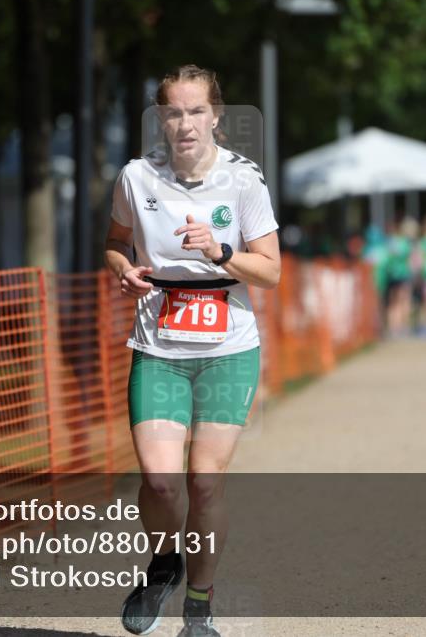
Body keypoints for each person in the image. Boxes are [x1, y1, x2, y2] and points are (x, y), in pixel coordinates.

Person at [104, 64, 281, 637]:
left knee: (205, 482)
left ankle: (199, 607)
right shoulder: (135, 177)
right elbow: (114, 241)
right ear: (160, 119)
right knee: (159, 482)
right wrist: (124, 269)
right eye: (174, 113)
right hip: (158, 346)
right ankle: (163, 565)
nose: (185, 123)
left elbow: (272, 271)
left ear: (216, 117)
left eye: (196, 111)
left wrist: (220, 251)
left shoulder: (244, 180)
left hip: (227, 347)